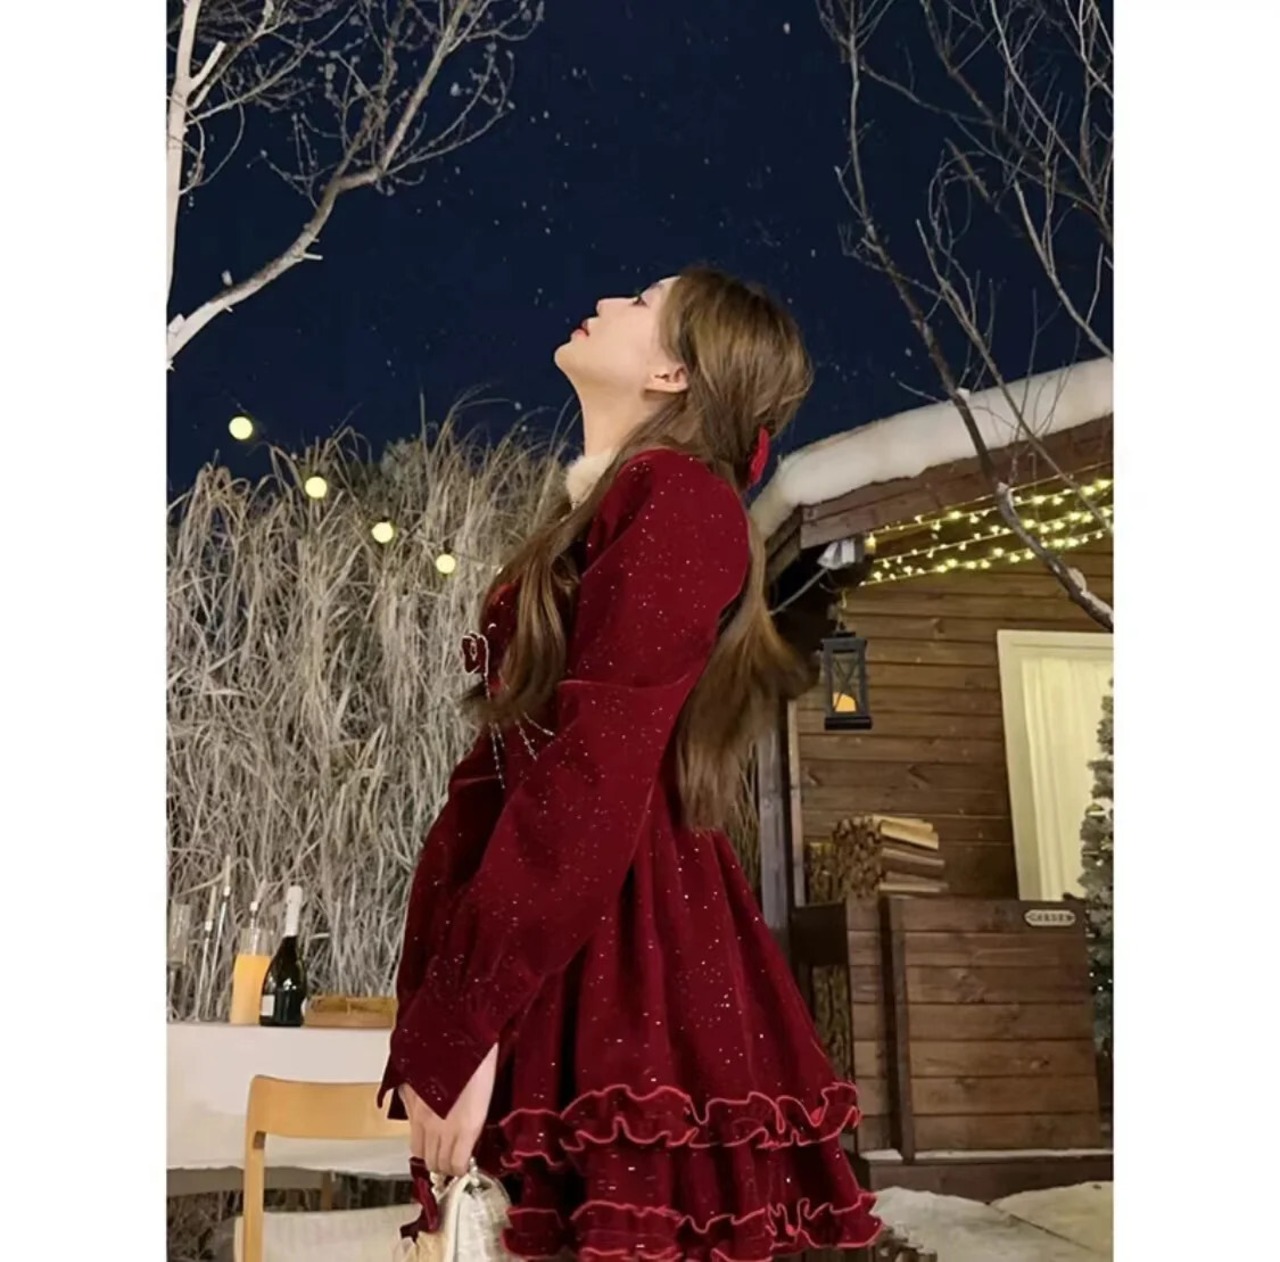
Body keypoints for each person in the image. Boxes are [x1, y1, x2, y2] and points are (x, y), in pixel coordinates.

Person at [380, 267, 881, 1259]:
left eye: (643, 302)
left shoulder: (678, 498)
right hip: (562, 933)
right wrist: (446, 1004)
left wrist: (467, 1015)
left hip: (619, 952)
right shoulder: (616, 504)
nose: (607, 302)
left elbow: (591, 770)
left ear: (672, 372)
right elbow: (513, 766)